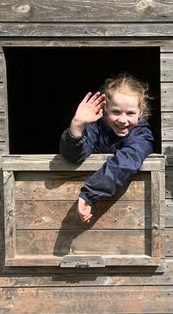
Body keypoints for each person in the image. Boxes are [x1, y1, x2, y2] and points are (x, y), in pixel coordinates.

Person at [59, 75, 156, 222]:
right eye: (116, 112)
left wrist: (90, 194)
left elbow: (126, 161)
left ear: (141, 113)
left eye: (130, 113)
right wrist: (77, 125)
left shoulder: (142, 135)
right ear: (106, 109)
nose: (122, 120)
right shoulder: (96, 127)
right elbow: (74, 156)